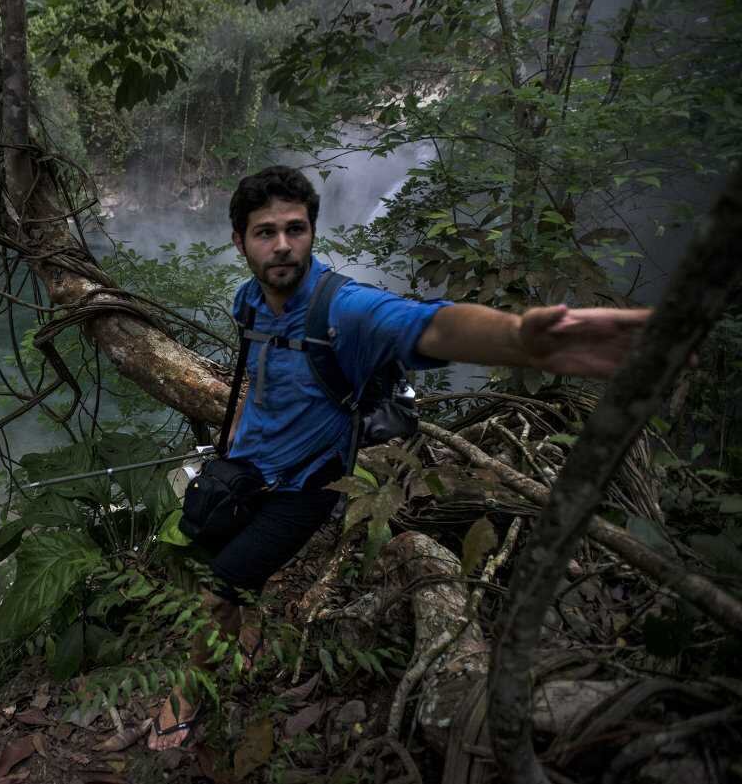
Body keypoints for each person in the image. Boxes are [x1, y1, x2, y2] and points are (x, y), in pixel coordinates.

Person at [148, 165, 651, 750]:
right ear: (240, 242)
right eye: (265, 232)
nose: (283, 245)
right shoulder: (248, 302)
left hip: (304, 487)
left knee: (219, 590)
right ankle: (248, 619)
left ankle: (186, 695)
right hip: (243, 469)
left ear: (312, 231)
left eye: (296, 228)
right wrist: (232, 441)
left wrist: (523, 340)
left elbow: (430, 326)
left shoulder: (345, 311)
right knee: (215, 552)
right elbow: (256, 382)